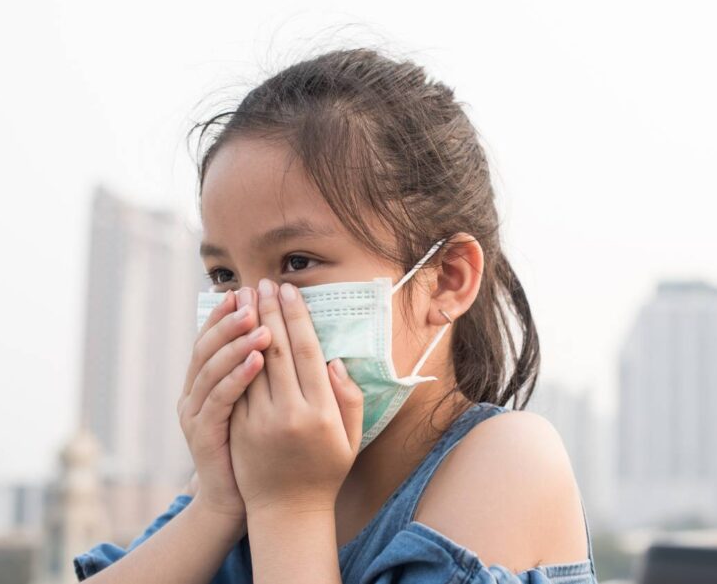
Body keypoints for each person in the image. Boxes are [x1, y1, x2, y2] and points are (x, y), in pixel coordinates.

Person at [72, 46, 599, 583]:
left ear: (446, 279)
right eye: (224, 276)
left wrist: (289, 506)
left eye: (297, 262)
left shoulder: (507, 460)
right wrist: (215, 504)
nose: (252, 313)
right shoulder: (241, 482)